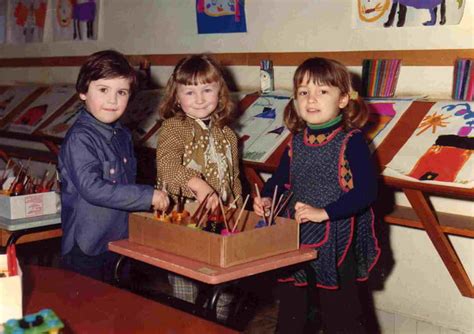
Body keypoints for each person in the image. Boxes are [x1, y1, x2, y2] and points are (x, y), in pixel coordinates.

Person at [253, 57, 380, 334]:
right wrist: (266, 198)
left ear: (344, 99)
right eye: (303, 92)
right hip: (297, 235)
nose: (312, 99)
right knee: (293, 310)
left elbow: (367, 191)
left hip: (337, 238)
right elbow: (280, 180)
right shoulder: (296, 139)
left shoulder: (352, 140)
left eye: (323, 91)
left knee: (341, 315)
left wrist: (324, 213)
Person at [59, 50, 169, 284]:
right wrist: (147, 195)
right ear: (82, 92)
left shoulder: (123, 135)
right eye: (103, 90)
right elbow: (92, 188)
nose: (112, 100)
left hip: (119, 240)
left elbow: (125, 185)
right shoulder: (81, 138)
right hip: (87, 246)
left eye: (121, 92)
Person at [156, 54, 242, 321]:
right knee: (186, 293)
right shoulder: (174, 127)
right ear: (176, 96)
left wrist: (241, 209)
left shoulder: (227, 134)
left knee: (223, 293)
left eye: (207, 89)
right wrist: (200, 186)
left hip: (222, 225)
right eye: (190, 92)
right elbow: (167, 167)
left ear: (220, 92)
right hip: (183, 224)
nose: (200, 98)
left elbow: (234, 178)